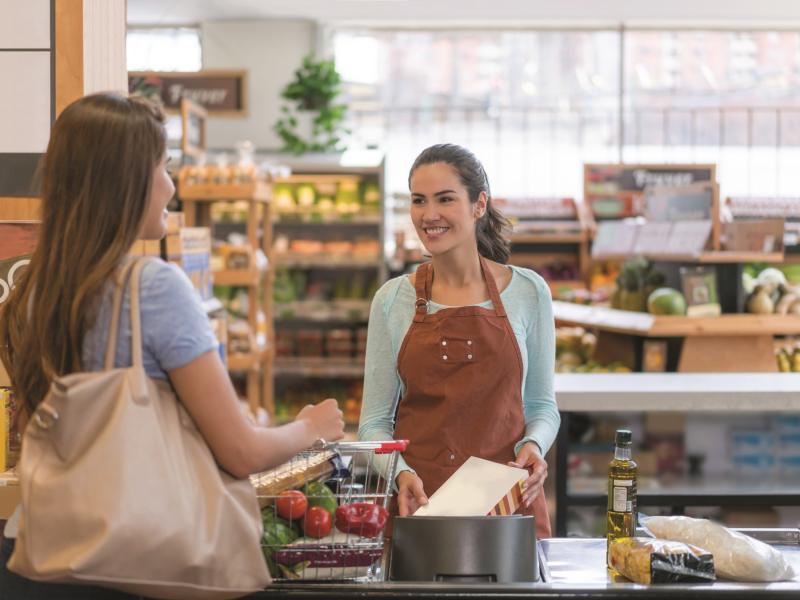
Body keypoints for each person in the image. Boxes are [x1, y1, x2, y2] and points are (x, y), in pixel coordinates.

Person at [0, 92, 345, 599]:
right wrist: (308, 428)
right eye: (163, 167)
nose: (172, 185)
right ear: (129, 180)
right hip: (143, 560)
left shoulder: (29, 293)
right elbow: (241, 451)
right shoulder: (151, 287)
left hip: (49, 551)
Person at [358, 143, 559, 538]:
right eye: (419, 201)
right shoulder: (392, 300)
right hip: (422, 506)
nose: (429, 215)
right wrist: (400, 474)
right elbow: (373, 425)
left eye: (445, 199)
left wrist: (534, 446)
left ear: (478, 204)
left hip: (509, 507)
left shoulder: (529, 292)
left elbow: (542, 405)